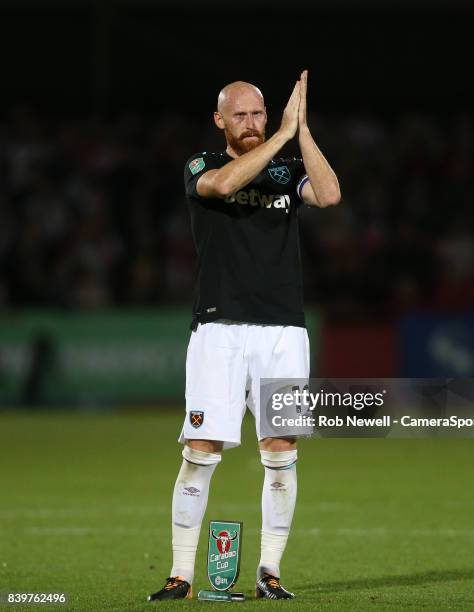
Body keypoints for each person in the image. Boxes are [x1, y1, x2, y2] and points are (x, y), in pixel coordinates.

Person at [149, 70, 341, 602]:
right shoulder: (202, 166)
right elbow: (228, 184)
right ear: (220, 121)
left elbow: (328, 194)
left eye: (260, 114)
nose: (253, 123)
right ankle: (181, 575)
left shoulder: (285, 172)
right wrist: (280, 137)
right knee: (201, 448)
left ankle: (269, 572)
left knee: (281, 450)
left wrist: (300, 133)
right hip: (219, 329)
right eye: (242, 115)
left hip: (283, 330)